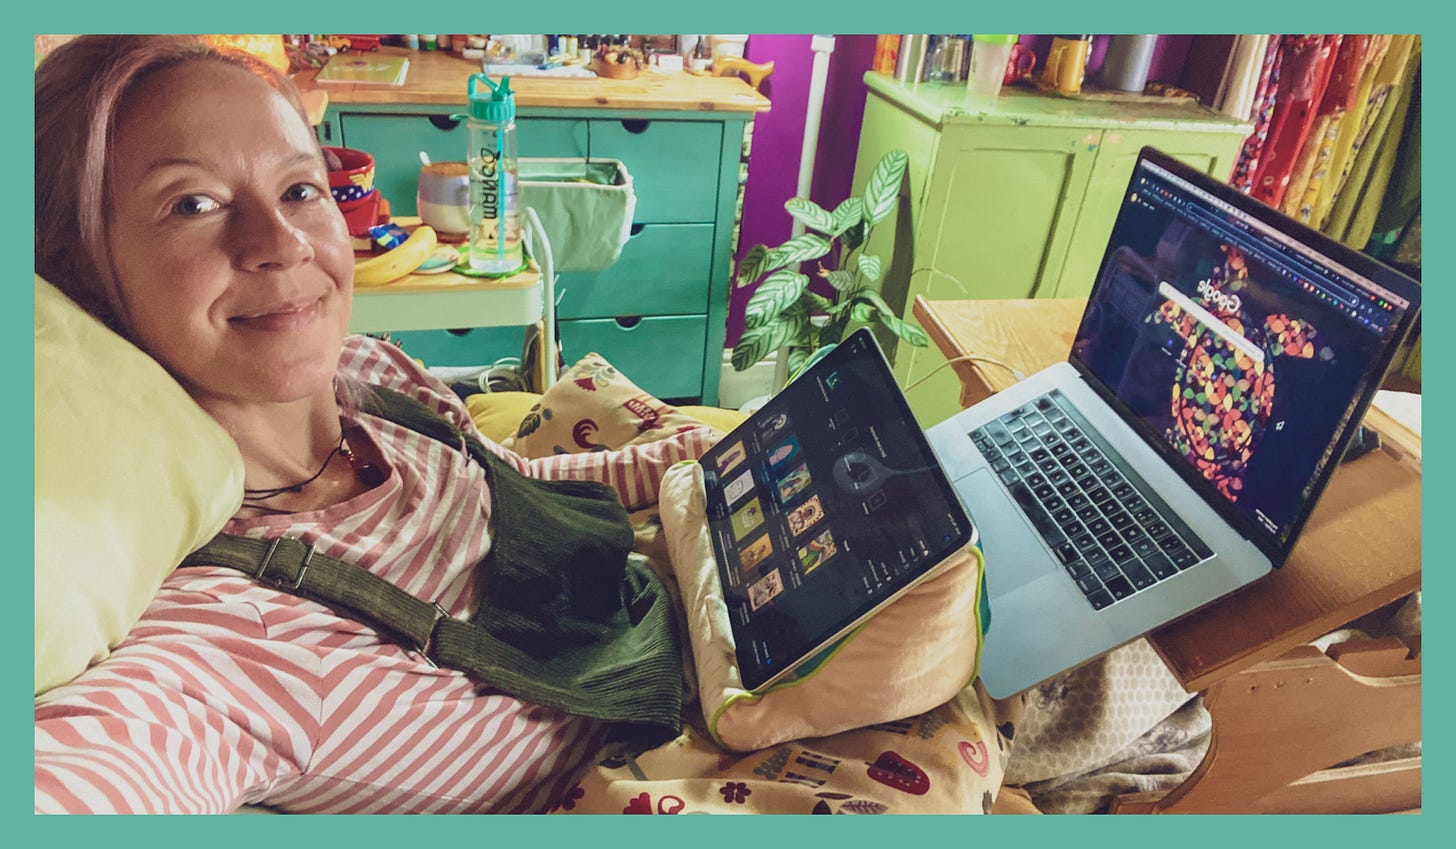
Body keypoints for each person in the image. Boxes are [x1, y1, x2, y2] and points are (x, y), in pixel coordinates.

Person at [33, 35, 718, 814]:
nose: (281, 241)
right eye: (193, 203)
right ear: (76, 271)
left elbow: (512, 490)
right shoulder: (232, 642)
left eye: (300, 189)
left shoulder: (373, 378)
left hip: (680, 619)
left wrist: (701, 460)